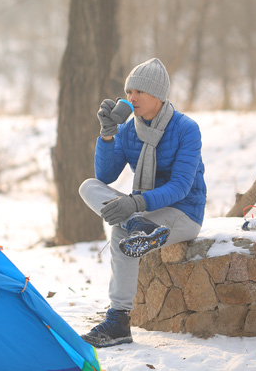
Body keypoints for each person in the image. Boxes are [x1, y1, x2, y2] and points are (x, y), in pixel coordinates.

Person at [79, 57, 206, 347]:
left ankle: (118, 321)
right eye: (128, 92)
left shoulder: (187, 129)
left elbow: (181, 186)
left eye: (139, 92)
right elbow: (105, 176)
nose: (131, 98)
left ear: (158, 96)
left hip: (183, 212)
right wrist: (107, 134)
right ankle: (138, 226)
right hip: (144, 211)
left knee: (121, 231)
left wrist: (135, 204)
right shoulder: (128, 129)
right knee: (88, 186)